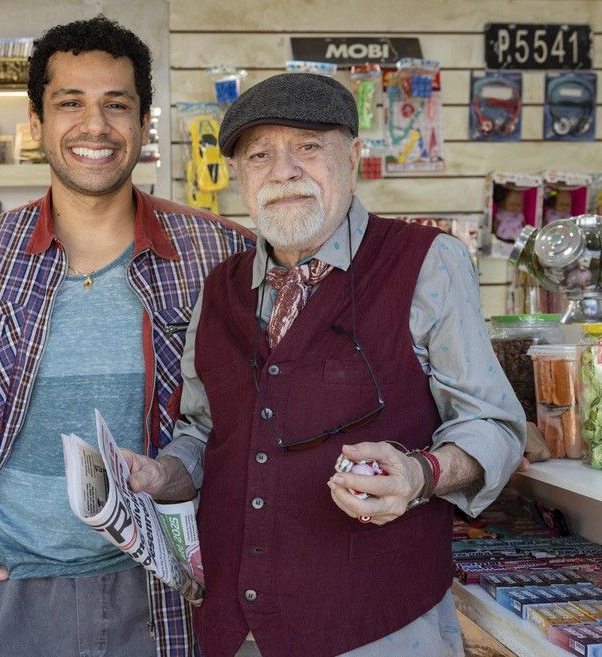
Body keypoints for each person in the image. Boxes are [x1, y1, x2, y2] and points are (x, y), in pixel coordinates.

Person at [0, 15, 252, 657]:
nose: (96, 126)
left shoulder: (219, 253)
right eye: (70, 104)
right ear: (37, 123)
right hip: (10, 590)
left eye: (117, 104)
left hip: (174, 587)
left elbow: (254, 410)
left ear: (143, 121)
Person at [127, 73, 525, 657]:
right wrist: (165, 475)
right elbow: (206, 432)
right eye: (260, 155)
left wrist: (420, 475)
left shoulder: (427, 262)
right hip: (238, 631)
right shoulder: (220, 289)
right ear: (240, 175)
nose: (283, 171)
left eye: (308, 148)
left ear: (354, 155)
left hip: (381, 629)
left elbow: (493, 425)